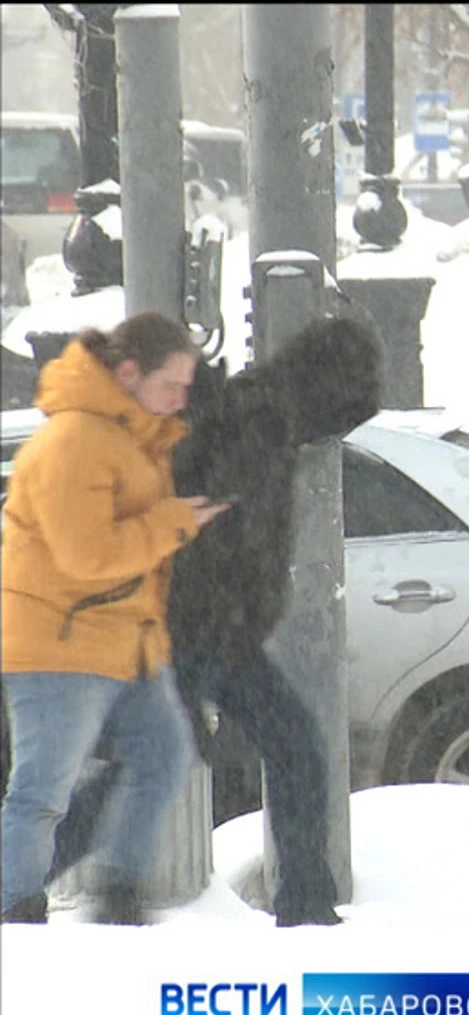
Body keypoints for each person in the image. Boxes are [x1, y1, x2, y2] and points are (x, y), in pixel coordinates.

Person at [0, 313, 227, 925]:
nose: (182, 399)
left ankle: (118, 896)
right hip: (58, 642)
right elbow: (86, 555)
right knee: (41, 791)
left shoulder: (134, 436)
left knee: (164, 754)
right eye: (171, 385)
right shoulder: (75, 440)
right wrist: (174, 522)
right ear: (129, 373)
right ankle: (14, 913)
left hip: (126, 642)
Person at [165, 315, 384, 927]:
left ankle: (307, 900)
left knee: (155, 766)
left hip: (211, 630)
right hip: (202, 630)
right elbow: (217, 543)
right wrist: (210, 637)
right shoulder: (257, 427)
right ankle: (306, 902)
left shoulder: (265, 417)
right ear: (327, 388)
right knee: (293, 752)